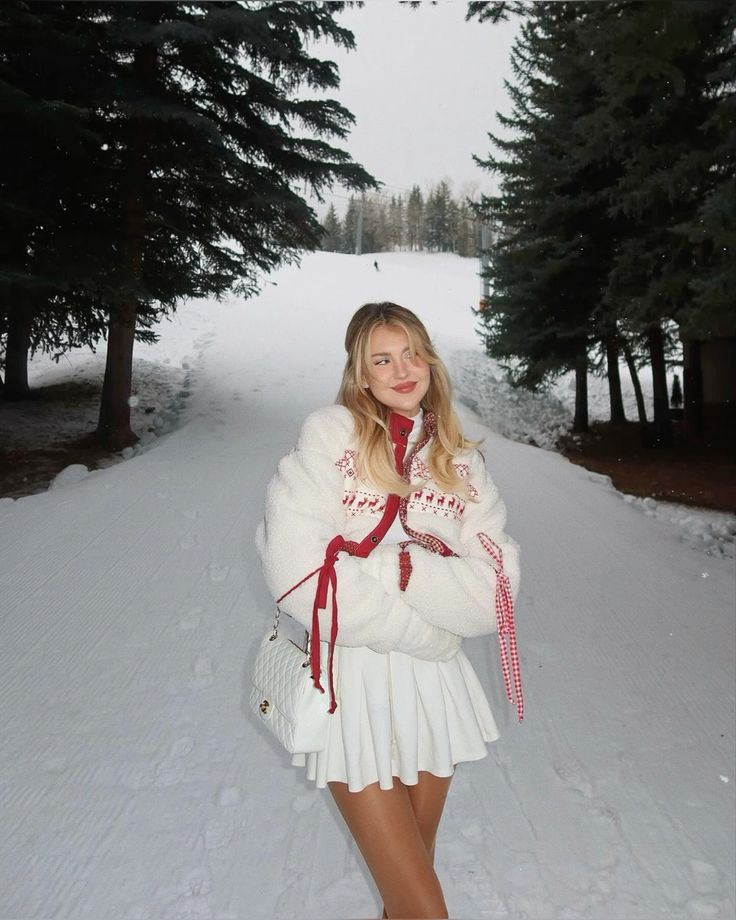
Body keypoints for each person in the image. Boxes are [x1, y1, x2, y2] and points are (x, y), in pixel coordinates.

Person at [256, 302, 522, 920]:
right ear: (361, 373)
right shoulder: (331, 436)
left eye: (411, 353)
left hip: (434, 693)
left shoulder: (460, 460)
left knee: (405, 900)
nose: (402, 370)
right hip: (354, 686)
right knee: (424, 908)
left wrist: (399, 568)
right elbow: (299, 573)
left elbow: (496, 591)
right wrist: (424, 629)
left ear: (429, 358)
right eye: (383, 358)